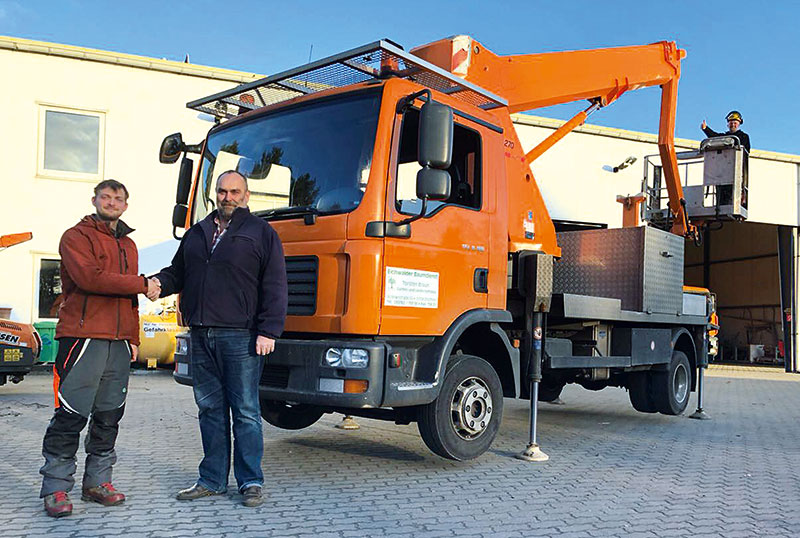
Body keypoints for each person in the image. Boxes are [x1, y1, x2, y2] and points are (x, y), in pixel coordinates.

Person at [150, 170, 287, 507]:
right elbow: (177, 274)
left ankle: (250, 481)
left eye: (235, 192)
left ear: (247, 195)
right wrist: (155, 284)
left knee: (244, 411)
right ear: (215, 194)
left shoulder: (261, 233)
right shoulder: (196, 233)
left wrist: (269, 330)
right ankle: (212, 480)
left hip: (241, 336)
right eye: (223, 192)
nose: (228, 197)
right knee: (209, 409)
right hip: (201, 333)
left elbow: (275, 284)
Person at [40, 180, 160, 517]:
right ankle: (56, 488)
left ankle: (97, 482)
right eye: (105, 197)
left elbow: (128, 300)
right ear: (94, 200)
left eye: (118, 198)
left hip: (119, 342)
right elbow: (91, 278)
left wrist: (133, 338)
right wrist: (143, 284)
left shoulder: (130, 244)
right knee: (70, 414)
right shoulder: (76, 237)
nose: (111, 202)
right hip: (83, 337)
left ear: (126, 205)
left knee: (109, 416)